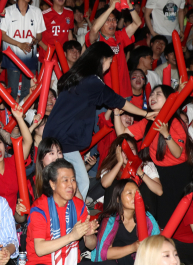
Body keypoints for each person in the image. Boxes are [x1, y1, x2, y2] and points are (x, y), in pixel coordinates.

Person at [43, 41, 156, 201]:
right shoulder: (92, 81)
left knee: (66, 182)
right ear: (102, 59)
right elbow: (118, 100)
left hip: (58, 137)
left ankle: (72, 215)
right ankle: (72, 217)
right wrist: (145, 114)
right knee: (79, 182)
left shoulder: (79, 78)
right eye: (109, 61)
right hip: (62, 140)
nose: (109, 66)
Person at [116, 85, 193, 228]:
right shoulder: (147, 121)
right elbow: (122, 133)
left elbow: (177, 153)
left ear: (168, 100)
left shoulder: (176, 121)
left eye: (158, 94)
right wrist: (116, 114)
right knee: (163, 216)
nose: (153, 97)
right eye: (152, 94)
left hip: (179, 173)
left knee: (179, 216)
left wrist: (166, 134)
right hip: (160, 173)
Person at [26, 159, 99, 265]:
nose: (71, 185)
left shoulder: (79, 205)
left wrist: (88, 234)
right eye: (65, 180)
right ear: (52, 184)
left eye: (73, 180)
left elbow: (91, 245)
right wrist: (72, 236)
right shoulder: (39, 209)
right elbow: (40, 249)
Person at [91, 180, 160, 264]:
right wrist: (133, 248)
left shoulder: (148, 218)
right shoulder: (110, 220)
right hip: (116, 262)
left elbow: (158, 245)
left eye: (138, 192)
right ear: (118, 199)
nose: (135, 196)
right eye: (129, 193)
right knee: (119, 244)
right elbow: (103, 253)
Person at [87, 0, 142, 98]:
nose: (112, 23)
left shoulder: (120, 35)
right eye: (107, 20)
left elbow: (137, 23)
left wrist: (129, 5)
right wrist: (110, 8)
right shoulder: (98, 38)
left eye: (114, 20)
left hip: (124, 91)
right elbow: (94, 28)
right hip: (103, 93)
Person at [0, 0, 45, 98]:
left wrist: (35, 40)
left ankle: (25, 116)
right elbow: (1, 35)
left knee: (27, 91)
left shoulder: (37, 11)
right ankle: (11, 116)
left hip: (30, 56)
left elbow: (39, 35)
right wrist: (19, 44)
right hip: (12, 57)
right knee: (12, 91)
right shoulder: (8, 11)